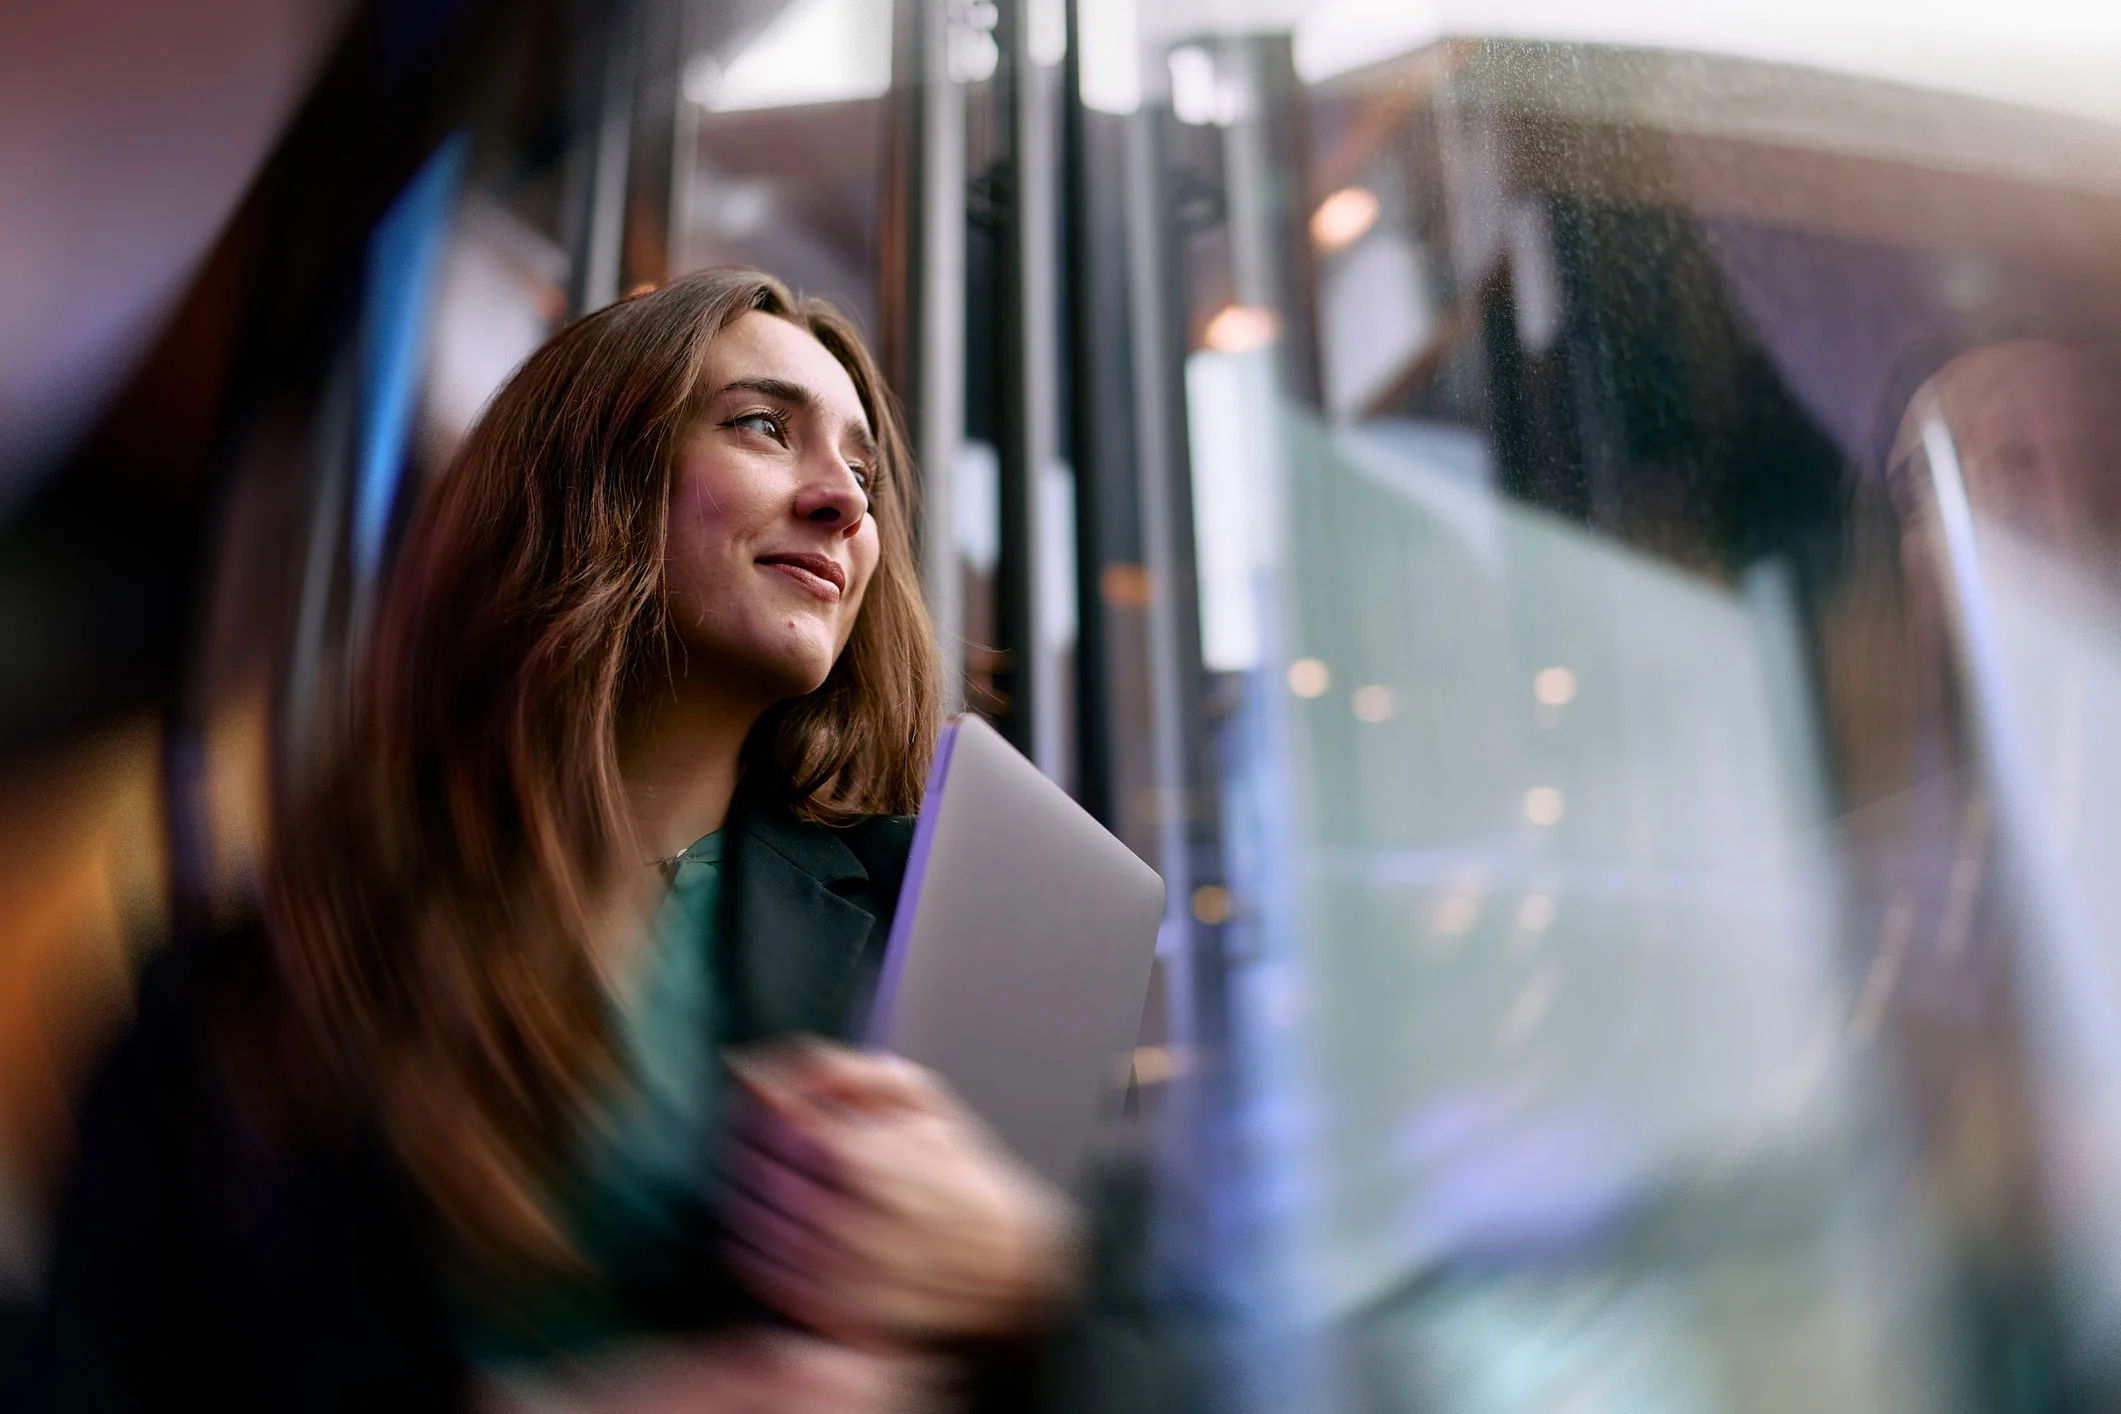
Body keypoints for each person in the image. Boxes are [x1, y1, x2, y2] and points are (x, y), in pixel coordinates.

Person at [31, 269, 1110, 1412]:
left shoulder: (941, 912)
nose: (844, 502)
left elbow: (1208, 1344)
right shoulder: (248, 987)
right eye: (762, 426)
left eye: (861, 468)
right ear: (587, 476)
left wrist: (1037, 1274)